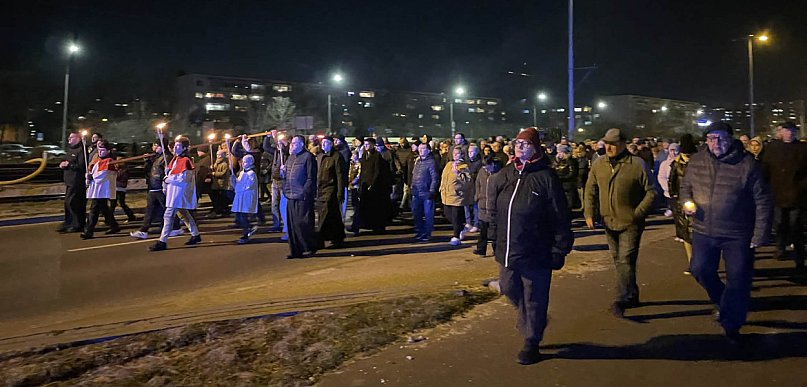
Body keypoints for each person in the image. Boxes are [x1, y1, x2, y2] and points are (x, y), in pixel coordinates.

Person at [681, 122, 772, 342]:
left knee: (738, 278)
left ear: (730, 139)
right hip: (704, 229)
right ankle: (724, 301)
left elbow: (762, 200)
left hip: (737, 233)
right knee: (699, 269)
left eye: (720, 138)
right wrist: (686, 203)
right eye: (711, 138)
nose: (716, 143)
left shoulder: (747, 164)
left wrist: (760, 233)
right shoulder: (696, 161)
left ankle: (732, 324)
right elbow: (685, 188)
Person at [488, 127, 573, 365]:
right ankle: (532, 321)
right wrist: (494, 237)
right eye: (517, 143)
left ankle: (531, 342)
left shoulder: (546, 177)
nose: (519, 147)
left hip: (537, 250)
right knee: (508, 287)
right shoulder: (507, 174)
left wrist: (560, 248)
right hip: (508, 248)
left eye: (525, 144)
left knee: (534, 296)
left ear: (536, 148)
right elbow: (494, 209)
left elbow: (560, 216)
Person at [584, 128, 656, 318]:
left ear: (623, 144)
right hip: (608, 220)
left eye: (613, 144)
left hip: (630, 222)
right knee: (619, 259)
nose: (609, 147)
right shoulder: (599, 164)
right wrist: (589, 212)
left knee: (625, 259)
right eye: (607, 143)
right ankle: (631, 293)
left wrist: (637, 213)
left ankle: (622, 298)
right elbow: (590, 189)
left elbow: (651, 191)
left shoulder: (636, 164)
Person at [761, 122, 807, 269]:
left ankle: (799, 256)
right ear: (781, 132)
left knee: (796, 226)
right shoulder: (772, 148)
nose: (789, 133)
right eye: (787, 131)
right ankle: (781, 248)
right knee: (780, 224)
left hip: (797, 194)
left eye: (792, 131)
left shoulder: (802, 148)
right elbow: (765, 169)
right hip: (777, 193)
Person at [150, 137, 202, 251]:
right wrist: (167, 177)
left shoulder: (186, 160)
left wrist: (168, 179)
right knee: (183, 214)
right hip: (173, 191)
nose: (175, 148)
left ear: (184, 148)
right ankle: (195, 234)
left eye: (178, 146)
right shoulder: (175, 159)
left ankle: (162, 241)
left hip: (179, 191)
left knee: (168, 215)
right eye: (175, 146)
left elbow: (183, 179)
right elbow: (171, 174)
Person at [281, 135, 318, 258]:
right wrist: (283, 178)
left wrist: (305, 192)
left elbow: (311, 177)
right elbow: (286, 176)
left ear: (301, 144)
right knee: (292, 224)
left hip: (302, 196)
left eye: (294, 143)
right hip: (290, 195)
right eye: (291, 143)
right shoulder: (290, 158)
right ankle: (296, 250)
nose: (291, 145)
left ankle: (310, 246)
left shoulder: (308, 157)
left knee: (303, 223)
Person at [130, 143, 176, 239]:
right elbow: (149, 171)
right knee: (150, 210)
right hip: (153, 187)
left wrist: (165, 184)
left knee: (167, 209)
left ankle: (175, 227)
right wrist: (147, 161)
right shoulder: (156, 157)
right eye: (154, 146)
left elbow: (167, 172)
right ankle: (143, 230)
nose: (155, 148)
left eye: (157, 146)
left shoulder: (167, 157)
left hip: (160, 187)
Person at [667, 135, 697, 274]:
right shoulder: (676, 164)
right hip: (681, 202)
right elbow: (671, 181)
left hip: (699, 201)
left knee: (698, 234)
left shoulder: (700, 162)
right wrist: (673, 196)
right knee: (686, 235)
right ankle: (691, 262)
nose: (687, 157)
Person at [81, 140, 120, 239]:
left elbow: (104, 175)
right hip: (97, 188)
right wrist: (88, 176)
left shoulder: (109, 161)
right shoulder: (97, 160)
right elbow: (92, 171)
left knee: (94, 210)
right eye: (99, 150)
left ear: (108, 151)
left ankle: (88, 231)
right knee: (104, 209)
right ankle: (114, 225)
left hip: (102, 189)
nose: (100, 152)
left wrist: (92, 177)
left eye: (102, 150)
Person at [315, 137, 347, 248]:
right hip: (321, 189)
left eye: (326, 143)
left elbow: (340, 175)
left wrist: (340, 192)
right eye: (322, 142)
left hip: (331, 189)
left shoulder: (337, 157)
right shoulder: (320, 156)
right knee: (333, 215)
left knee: (326, 212)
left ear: (331, 144)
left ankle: (319, 238)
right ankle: (337, 236)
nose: (323, 144)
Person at [357, 137, 393, 233]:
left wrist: (372, 184)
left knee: (375, 206)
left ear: (373, 145)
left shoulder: (377, 156)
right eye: (365, 144)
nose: (366, 146)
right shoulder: (364, 155)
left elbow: (377, 171)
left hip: (373, 185)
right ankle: (365, 224)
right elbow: (362, 170)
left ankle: (377, 226)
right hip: (364, 183)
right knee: (364, 205)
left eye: (368, 144)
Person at [440, 146, 473, 246]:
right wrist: (441, 187)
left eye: (457, 154)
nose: (455, 155)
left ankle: (456, 236)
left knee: (455, 217)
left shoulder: (464, 166)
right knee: (447, 214)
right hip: (446, 194)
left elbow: (468, 182)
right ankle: (461, 227)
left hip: (457, 196)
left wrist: (458, 173)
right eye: (454, 153)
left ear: (462, 155)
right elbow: (444, 177)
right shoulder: (449, 164)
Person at [473, 154, 502, 256]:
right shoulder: (481, 172)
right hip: (482, 205)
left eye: (487, 167)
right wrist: (477, 196)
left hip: (494, 206)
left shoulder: (499, 174)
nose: (485, 169)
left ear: (492, 164)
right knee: (483, 231)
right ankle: (481, 249)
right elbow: (478, 184)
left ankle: (497, 250)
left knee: (495, 231)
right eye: (484, 167)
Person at [57, 131, 87, 233]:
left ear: (78, 139)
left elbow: (82, 166)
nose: (69, 139)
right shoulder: (70, 150)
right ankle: (68, 222)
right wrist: (62, 164)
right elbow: (67, 160)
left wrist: (69, 165)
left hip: (76, 181)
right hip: (69, 181)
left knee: (72, 203)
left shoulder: (81, 150)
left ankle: (77, 224)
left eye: (72, 137)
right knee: (67, 203)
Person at [410, 142, 439, 241]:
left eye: (423, 149)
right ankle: (420, 231)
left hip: (427, 193)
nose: (420, 151)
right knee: (416, 213)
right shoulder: (418, 161)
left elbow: (434, 178)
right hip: (416, 192)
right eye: (420, 149)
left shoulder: (431, 162)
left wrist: (432, 190)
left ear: (428, 150)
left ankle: (427, 233)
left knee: (428, 215)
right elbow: (414, 175)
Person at [231, 154, 259, 244]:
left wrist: (238, 184)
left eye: (245, 162)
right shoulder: (242, 173)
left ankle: (246, 233)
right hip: (240, 197)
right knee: (239, 216)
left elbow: (248, 186)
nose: (243, 164)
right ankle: (248, 228)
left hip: (246, 197)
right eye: (242, 162)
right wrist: (234, 181)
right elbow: (237, 186)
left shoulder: (251, 174)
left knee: (243, 216)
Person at [110, 153, 137, 223]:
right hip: (115, 188)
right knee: (113, 204)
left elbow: (117, 177)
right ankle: (110, 218)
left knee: (120, 203)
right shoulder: (120, 169)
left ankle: (131, 216)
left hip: (120, 188)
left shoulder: (124, 170)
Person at [656, 143, 680, 217]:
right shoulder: (664, 164)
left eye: (675, 150)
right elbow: (661, 177)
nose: (673, 153)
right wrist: (667, 187)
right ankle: (670, 208)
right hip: (669, 191)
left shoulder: (683, 163)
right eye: (671, 150)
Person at [554, 144, 579, 211]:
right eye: (558, 152)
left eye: (560, 152)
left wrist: (562, 178)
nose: (558, 154)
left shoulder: (571, 161)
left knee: (569, 203)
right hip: (560, 184)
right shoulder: (557, 161)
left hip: (568, 185)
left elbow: (572, 173)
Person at [209, 150, 232, 218]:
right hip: (216, 183)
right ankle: (218, 209)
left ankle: (223, 210)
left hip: (222, 183)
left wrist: (214, 174)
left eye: (219, 155)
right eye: (217, 154)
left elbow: (223, 173)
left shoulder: (225, 164)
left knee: (222, 197)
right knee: (216, 197)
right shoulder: (216, 162)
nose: (218, 156)